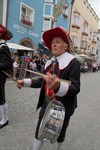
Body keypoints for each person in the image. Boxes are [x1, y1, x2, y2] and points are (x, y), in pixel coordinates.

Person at [16, 26, 80, 150]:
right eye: (52, 43)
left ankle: (58, 148)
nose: (54, 45)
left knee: (60, 133)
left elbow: (76, 87)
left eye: (57, 42)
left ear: (65, 46)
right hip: (47, 102)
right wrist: (25, 82)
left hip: (64, 106)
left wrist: (58, 86)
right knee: (40, 129)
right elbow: (42, 80)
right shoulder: (49, 62)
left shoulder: (73, 62)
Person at [0, 24, 13, 129]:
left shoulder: (3, 47)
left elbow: (8, 64)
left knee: (1, 99)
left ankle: (5, 120)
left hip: (0, 77)